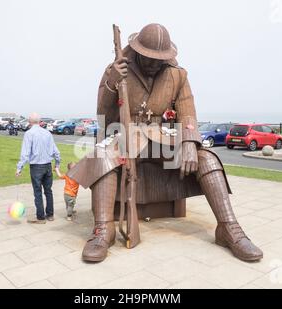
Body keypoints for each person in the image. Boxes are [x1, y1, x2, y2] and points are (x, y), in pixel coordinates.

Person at [68, 23, 263, 262]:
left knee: (207, 159)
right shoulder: (117, 68)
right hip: (125, 135)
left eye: (158, 59)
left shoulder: (178, 75)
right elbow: (104, 117)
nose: (152, 64)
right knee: (103, 157)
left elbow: (187, 112)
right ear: (137, 50)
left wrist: (190, 143)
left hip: (161, 138)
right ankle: (103, 229)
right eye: (148, 58)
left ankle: (228, 227)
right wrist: (112, 84)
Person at [16, 113, 61, 224]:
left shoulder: (29, 134)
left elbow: (25, 153)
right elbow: (56, 151)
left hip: (36, 167)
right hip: (48, 166)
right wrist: (57, 164)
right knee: (48, 191)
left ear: (30, 122)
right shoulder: (47, 133)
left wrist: (19, 167)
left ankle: (41, 218)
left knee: (38, 192)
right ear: (39, 121)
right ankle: (50, 215)